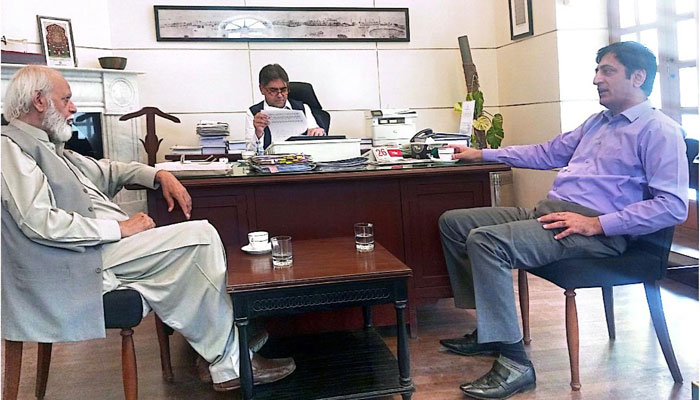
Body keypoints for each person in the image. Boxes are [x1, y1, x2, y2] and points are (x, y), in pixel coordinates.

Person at [0, 65, 296, 392]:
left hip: (95, 250)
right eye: (66, 99)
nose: (73, 108)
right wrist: (121, 228)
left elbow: (109, 170)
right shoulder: (10, 150)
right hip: (75, 261)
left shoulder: (51, 148)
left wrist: (158, 175)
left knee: (198, 240)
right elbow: (38, 222)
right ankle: (227, 355)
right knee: (199, 238)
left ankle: (221, 346)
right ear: (40, 101)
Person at [438, 41, 688, 399]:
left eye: (607, 71)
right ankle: (493, 330)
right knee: (454, 222)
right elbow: (548, 152)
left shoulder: (659, 131)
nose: (596, 79)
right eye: (597, 69)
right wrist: (482, 153)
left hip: (595, 231)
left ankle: (515, 364)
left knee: (486, 240)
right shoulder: (598, 123)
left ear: (638, 77)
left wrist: (598, 224)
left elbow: (672, 206)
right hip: (552, 213)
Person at [245, 63, 325, 153]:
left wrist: (318, 132)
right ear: (262, 89)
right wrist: (258, 133)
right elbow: (250, 152)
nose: (279, 95)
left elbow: (317, 139)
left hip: (301, 161)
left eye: (283, 90)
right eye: (273, 90)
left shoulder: (303, 108)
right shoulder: (253, 113)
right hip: (270, 163)